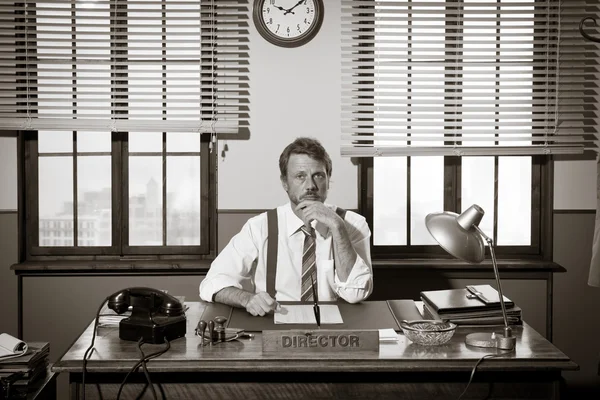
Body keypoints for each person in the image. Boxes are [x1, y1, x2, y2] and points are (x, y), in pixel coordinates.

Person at [199, 137, 373, 316]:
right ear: (285, 183)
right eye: (300, 176)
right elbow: (212, 282)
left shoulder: (353, 224)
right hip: (274, 327)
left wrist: (337, 226)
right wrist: (247, 299)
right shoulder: (259, 227)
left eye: (318, 175)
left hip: (337, 333)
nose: (311, 186)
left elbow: (356, 293)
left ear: (328, 180)